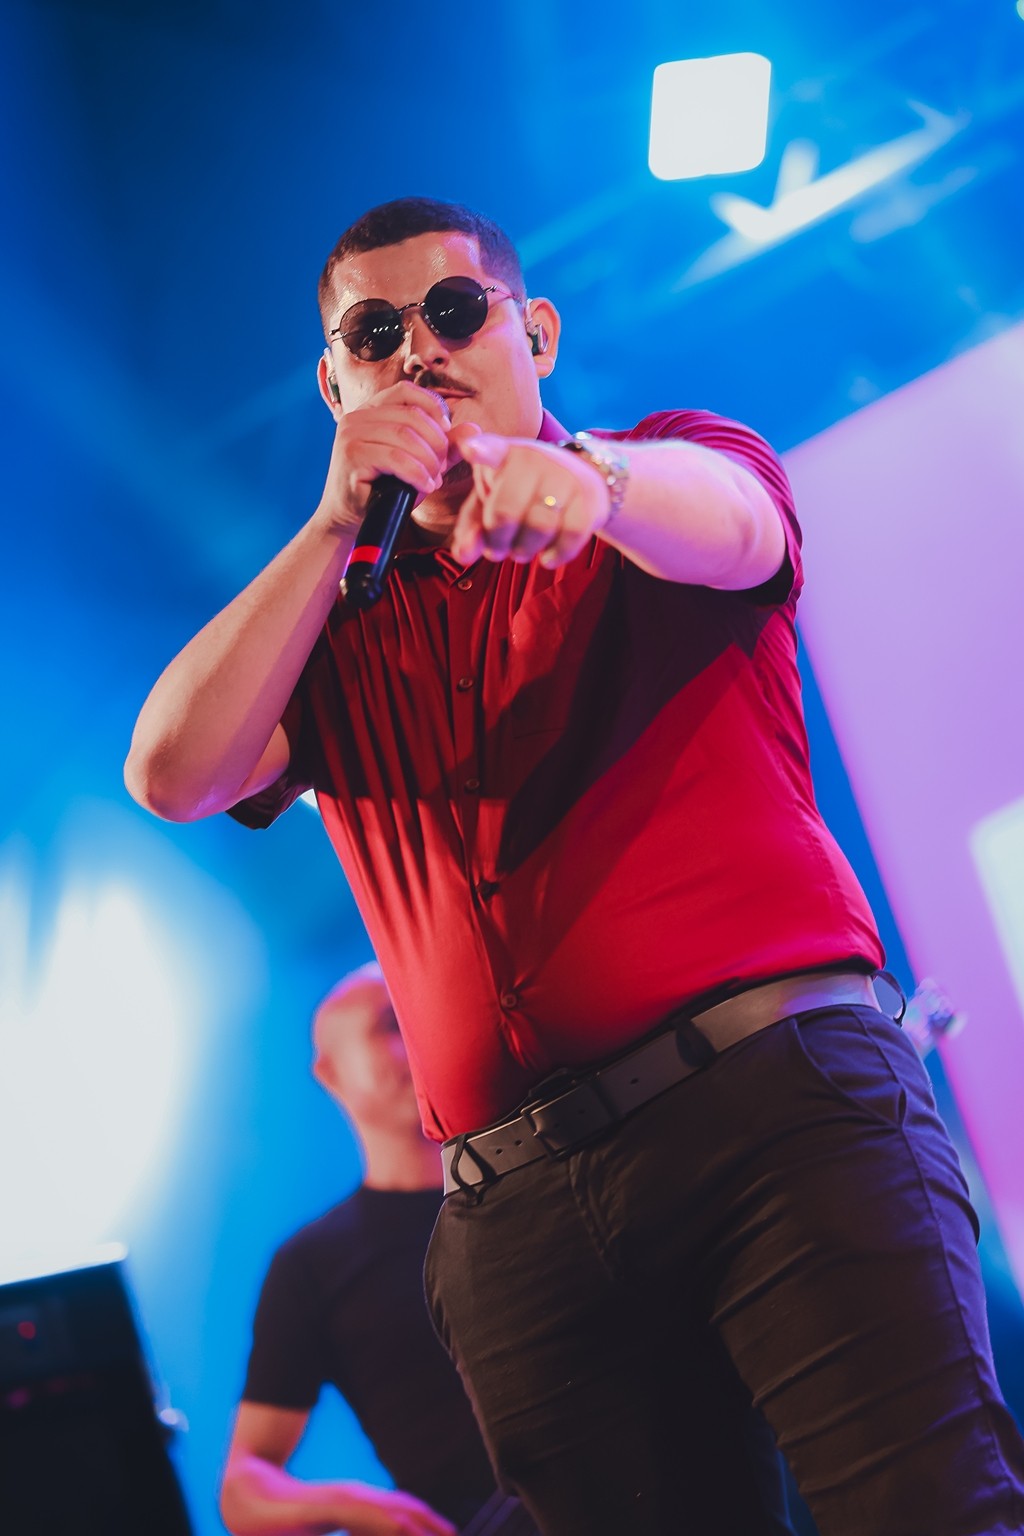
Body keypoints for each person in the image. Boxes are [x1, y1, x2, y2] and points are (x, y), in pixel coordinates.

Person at [126, 197, 1024, 1535]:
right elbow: (171, 774)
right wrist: (326, 530)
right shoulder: (334, 625)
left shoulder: (663, 471)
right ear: (334, 385)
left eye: (453, 311)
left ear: (534, 332)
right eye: (374, 335)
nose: (418, 349)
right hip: (520, 1210)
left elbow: (741, 526)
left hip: (775, 1112)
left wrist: (593, 481)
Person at [219, 964, 522, 1536]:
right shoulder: (312, 1265)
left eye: (427, 1015)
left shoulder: (541, 1187)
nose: (421, 1036)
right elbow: (244, 1484)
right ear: (330, 1073)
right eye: (390, 1023)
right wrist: (351, 1505)